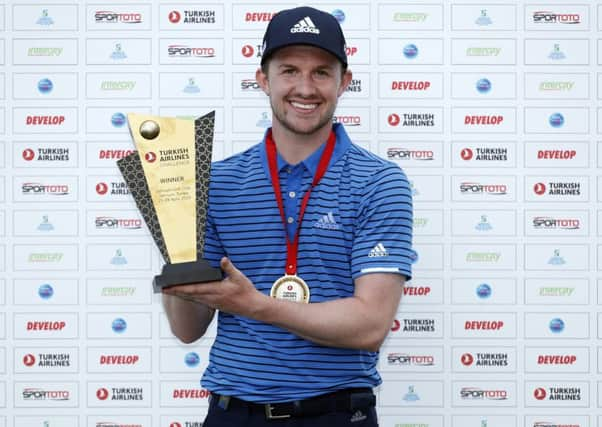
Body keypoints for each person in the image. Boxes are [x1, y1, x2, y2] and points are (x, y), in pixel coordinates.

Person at [162, 6, 413, 427]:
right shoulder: (215, 182)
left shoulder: (379, 181)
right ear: (263, 79)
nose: (305, 87)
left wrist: (257, 305)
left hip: (335, 413)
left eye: (321, 72)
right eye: (289, 70)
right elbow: (188, 328)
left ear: (344, 82)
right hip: (232, 414)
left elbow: (370, 325)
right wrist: (174, 240)